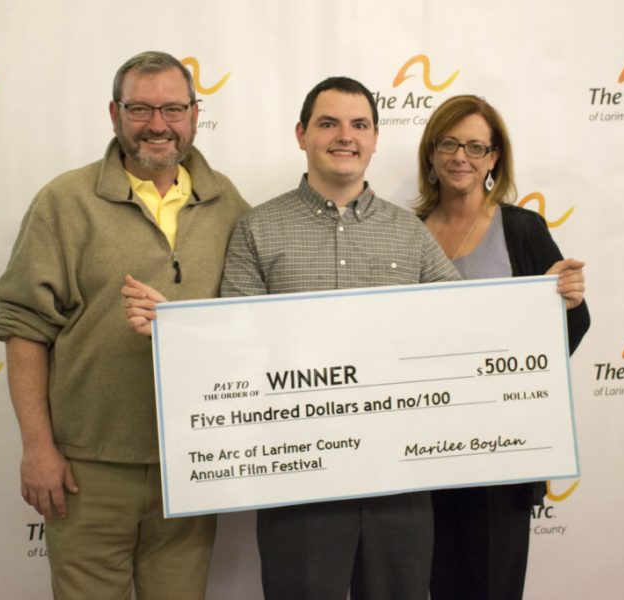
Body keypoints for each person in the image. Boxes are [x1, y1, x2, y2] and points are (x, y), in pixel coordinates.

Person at [123, 76, 461, 600]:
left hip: (399, 477)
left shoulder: (410, 232)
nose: (344, 136)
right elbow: (234, 346)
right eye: (328, 123)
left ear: (375, 139)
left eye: (359, 125)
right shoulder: (257, 229)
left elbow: (467, 323)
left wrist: (550, 296)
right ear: (302, 134)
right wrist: (176, 332)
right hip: (298, 476)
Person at [0, 51, 248, 600]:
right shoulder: (64, 202)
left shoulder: (228, 203)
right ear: (114, 114)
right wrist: (38, 447)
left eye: (173, 109)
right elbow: (23, 328)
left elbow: (248, 325)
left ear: (195, 114)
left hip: (191, 464)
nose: (158, 124)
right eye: (141, 108)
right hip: (88, 469)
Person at [414, 94, 591, 600]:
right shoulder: (408, 232)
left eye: (475, 146)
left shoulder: (522, 228)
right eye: (448, 143)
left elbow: (570, 328)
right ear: (431, 153)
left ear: (495, 157)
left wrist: (569, 302)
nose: (460, 157)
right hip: (423, 451)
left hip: (502, 454)